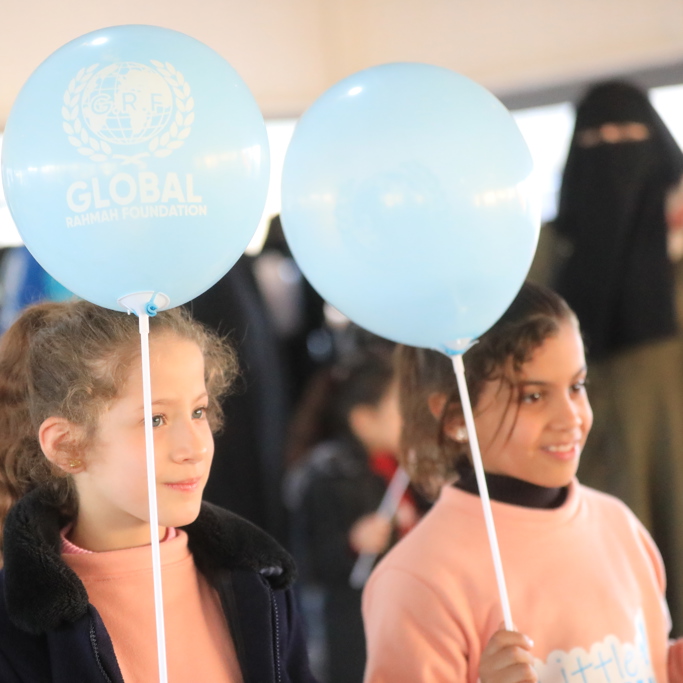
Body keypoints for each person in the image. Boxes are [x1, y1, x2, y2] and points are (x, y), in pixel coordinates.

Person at [362, 281, 683, 683]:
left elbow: (650, 664)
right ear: (455, 416)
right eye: (533, 396)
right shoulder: (418, 580)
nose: (571, 418)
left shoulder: (620, 525)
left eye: (576, 387)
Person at [0, 299, 317, 683]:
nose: (195, 447)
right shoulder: (17, 628)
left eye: (199, 411)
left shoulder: (261, 581)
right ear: (67, 445)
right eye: (155, 419)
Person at [552, 80, 683, 632]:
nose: (614, 150)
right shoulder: (549, 255)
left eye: (628, 136)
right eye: (597, 139)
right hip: (588, 457)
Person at [285, 340, 420, 683]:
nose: (413, 419)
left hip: (400, 621)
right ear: (363, 419)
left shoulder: (408, 467)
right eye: (401, 409)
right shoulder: (328, 475)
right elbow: (307, 565)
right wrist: (353, 542)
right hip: (350, 634)